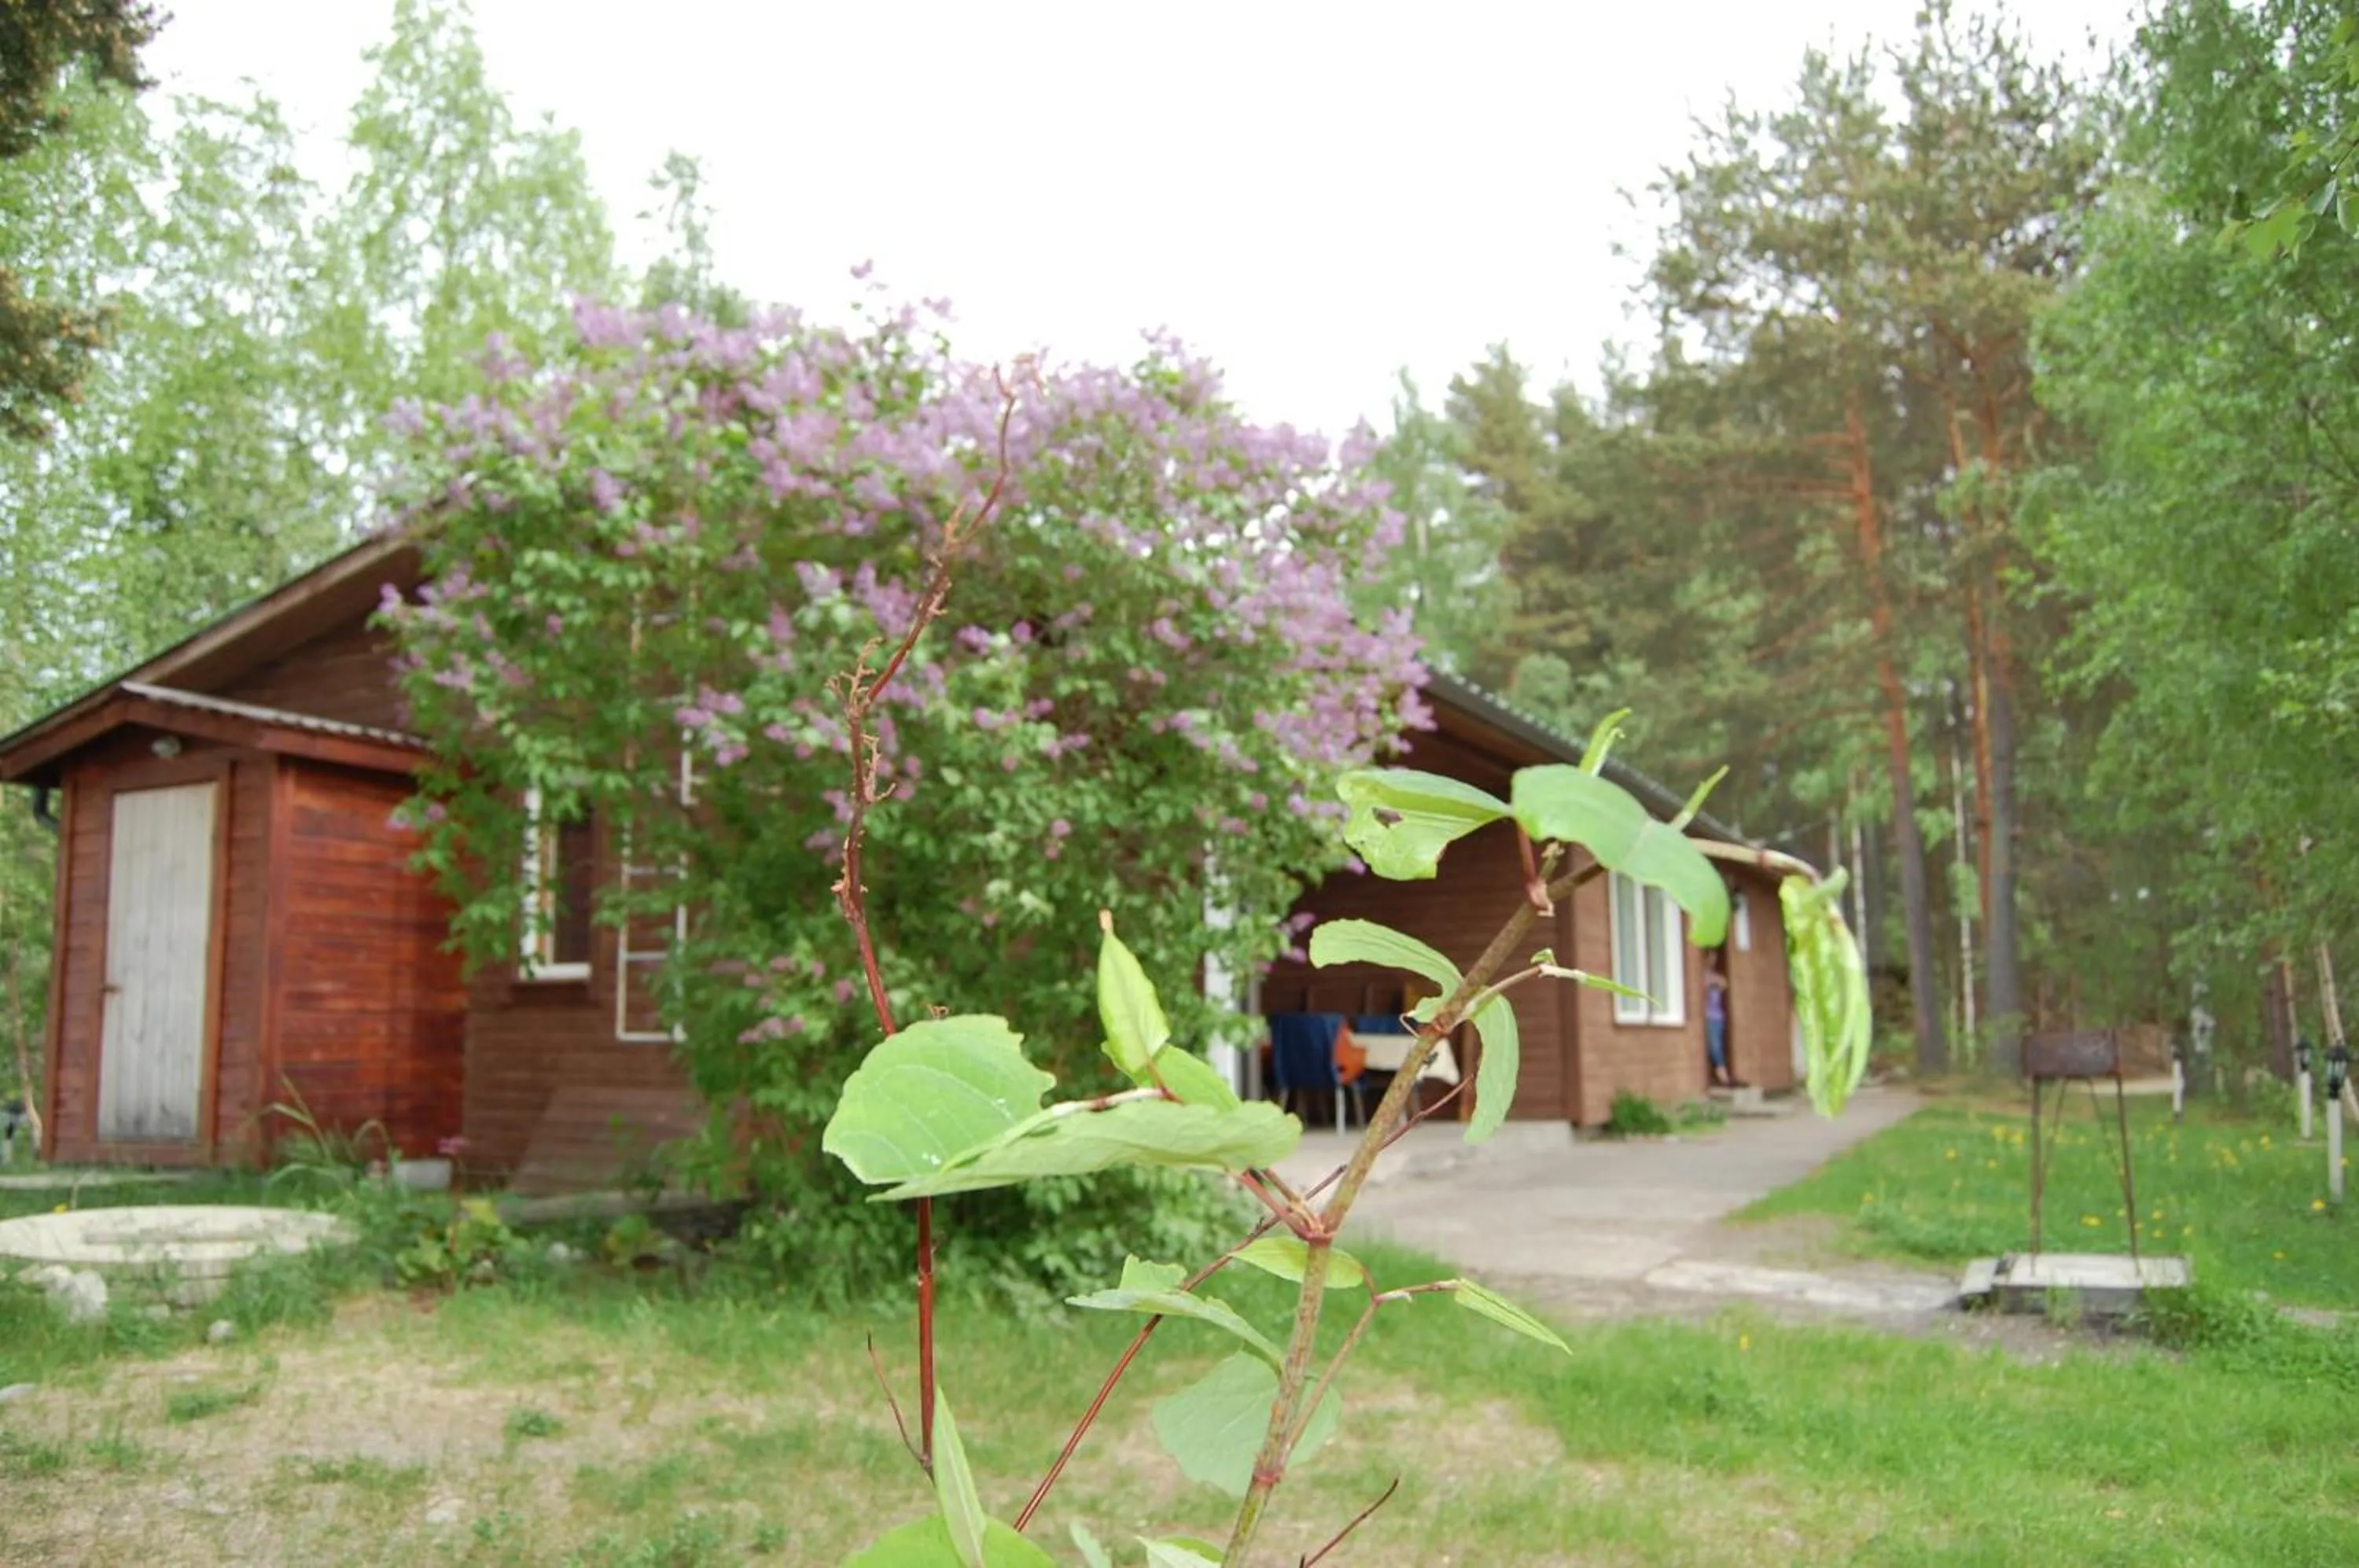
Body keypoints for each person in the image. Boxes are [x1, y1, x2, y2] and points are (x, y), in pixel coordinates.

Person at [1704, 953, 1734, 1088]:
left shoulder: (1714, 976)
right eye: (1710, 957)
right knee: (1714, 1047)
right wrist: (1711, 983)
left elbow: (1724, 983)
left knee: (1717, 1046)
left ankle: (1721, 1076)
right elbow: (1704, 984)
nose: (1713, 960)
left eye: (1714, 957)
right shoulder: (1702, 976)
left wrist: (1713, 982)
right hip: (1709, 1017)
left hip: (1718, 1017)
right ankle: (1723, 1077)